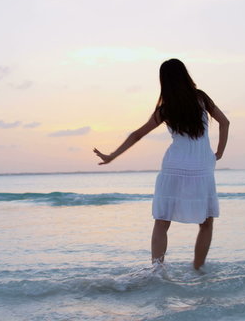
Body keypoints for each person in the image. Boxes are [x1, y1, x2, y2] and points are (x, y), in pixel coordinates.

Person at [93, 58, 230, 270]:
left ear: (164, 81)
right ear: (185, 75)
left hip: (173, 167)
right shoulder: (201, 98)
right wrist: (218, 153)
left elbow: (137, 134)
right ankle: (198, 269)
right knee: (206, 222)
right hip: (202, 166)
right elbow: (225, 122)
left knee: (162, 221)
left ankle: (157, 271)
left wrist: (112, 156)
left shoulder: (166, 109)